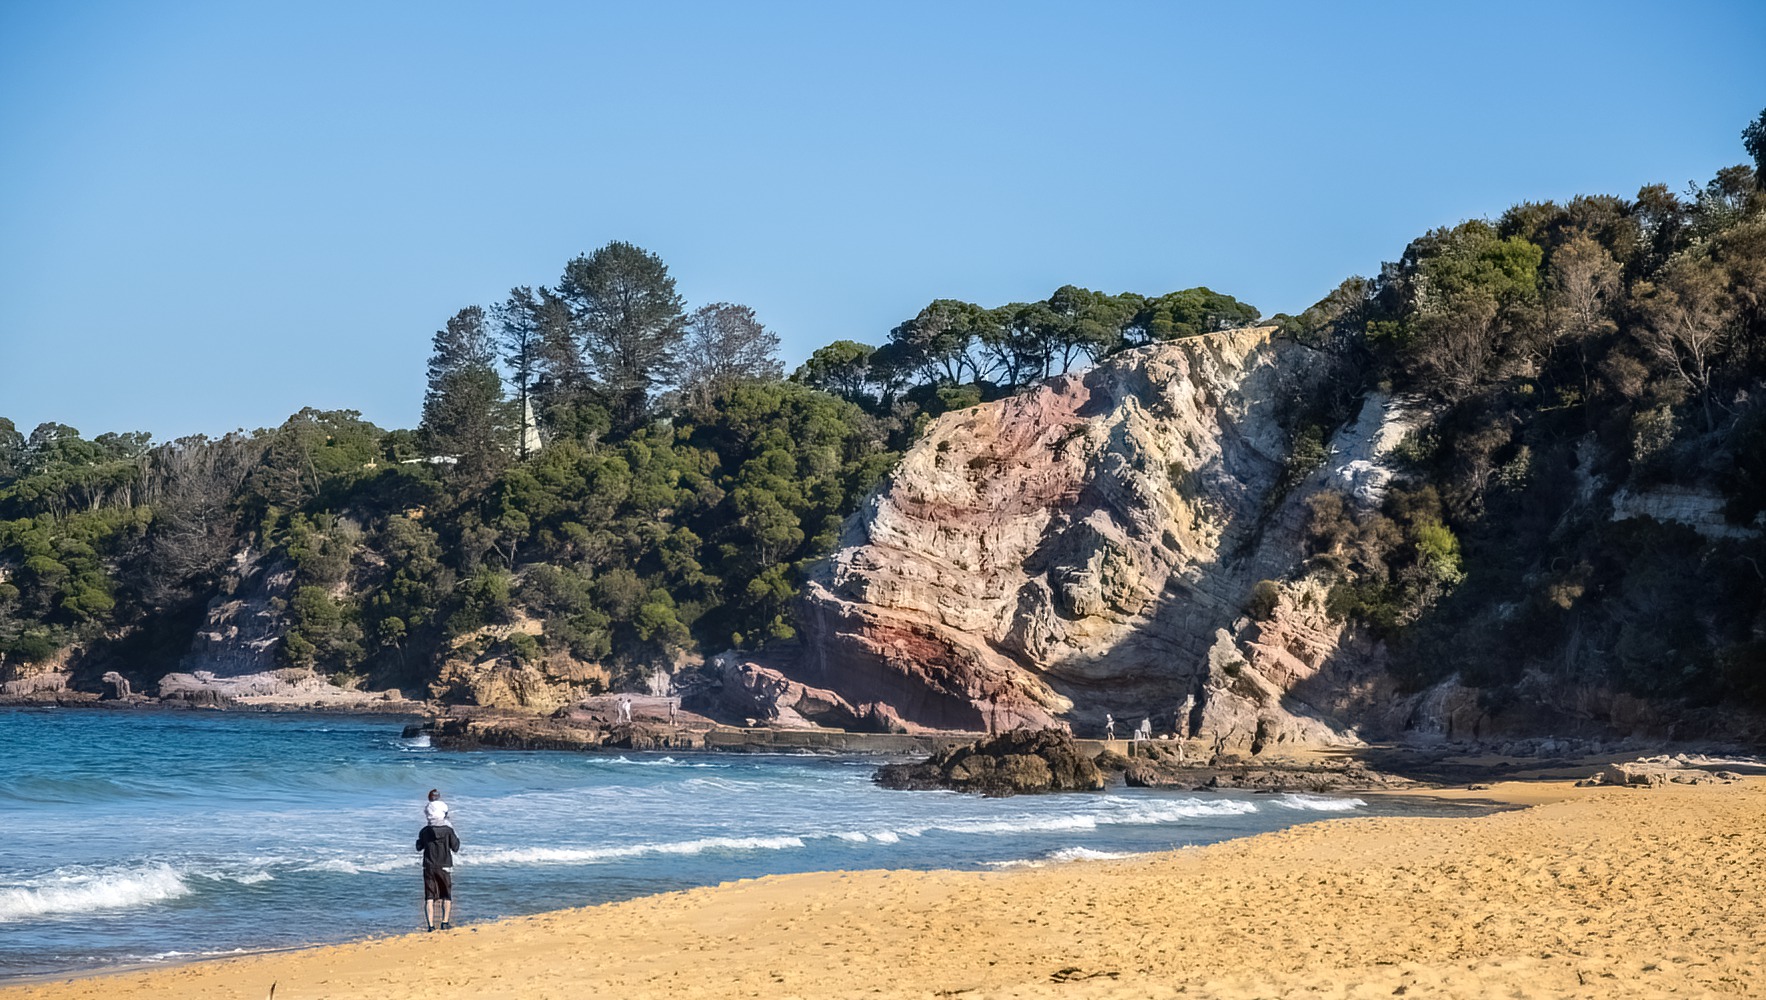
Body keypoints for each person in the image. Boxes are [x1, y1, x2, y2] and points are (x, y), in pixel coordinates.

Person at [416, 820, 460, 931]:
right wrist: (456, 837)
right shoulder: (448, 830)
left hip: (429, 866)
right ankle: (444, 922)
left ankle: (430, 926)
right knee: (446, 895)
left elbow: (419, 847)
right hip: (444, 865)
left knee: (429, 896)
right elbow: (455, 848)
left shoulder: (425, 830)